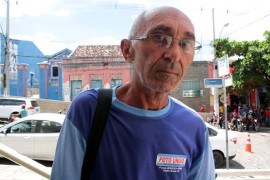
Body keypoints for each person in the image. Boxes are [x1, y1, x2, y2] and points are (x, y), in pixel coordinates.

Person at [51, 6, 215, 180]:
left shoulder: (194, 127)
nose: (174, 54)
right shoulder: (89, 109)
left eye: (185, 44)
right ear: (127, 51)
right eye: (160, 38)